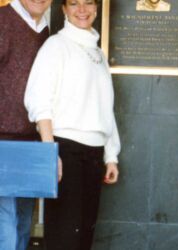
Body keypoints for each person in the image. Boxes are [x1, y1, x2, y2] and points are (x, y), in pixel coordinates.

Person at [24, 0, 121, 249]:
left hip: (94, 153)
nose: (82, 10)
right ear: (64, 9)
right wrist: (51, 154)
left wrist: (111, 155)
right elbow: (39, 102)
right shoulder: (56, 46)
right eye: (74, 3)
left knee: (83, 239)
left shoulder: (97, 53)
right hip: (65, 151)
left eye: (88, 3)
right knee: (65, 238)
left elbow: (105, 108)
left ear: (96, 9)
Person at [0, 0, 52, 249]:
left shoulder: (44, 29)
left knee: (22, 222)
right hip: (2, 142)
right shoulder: (2, 20)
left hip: (30, 141)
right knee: (5, 224)